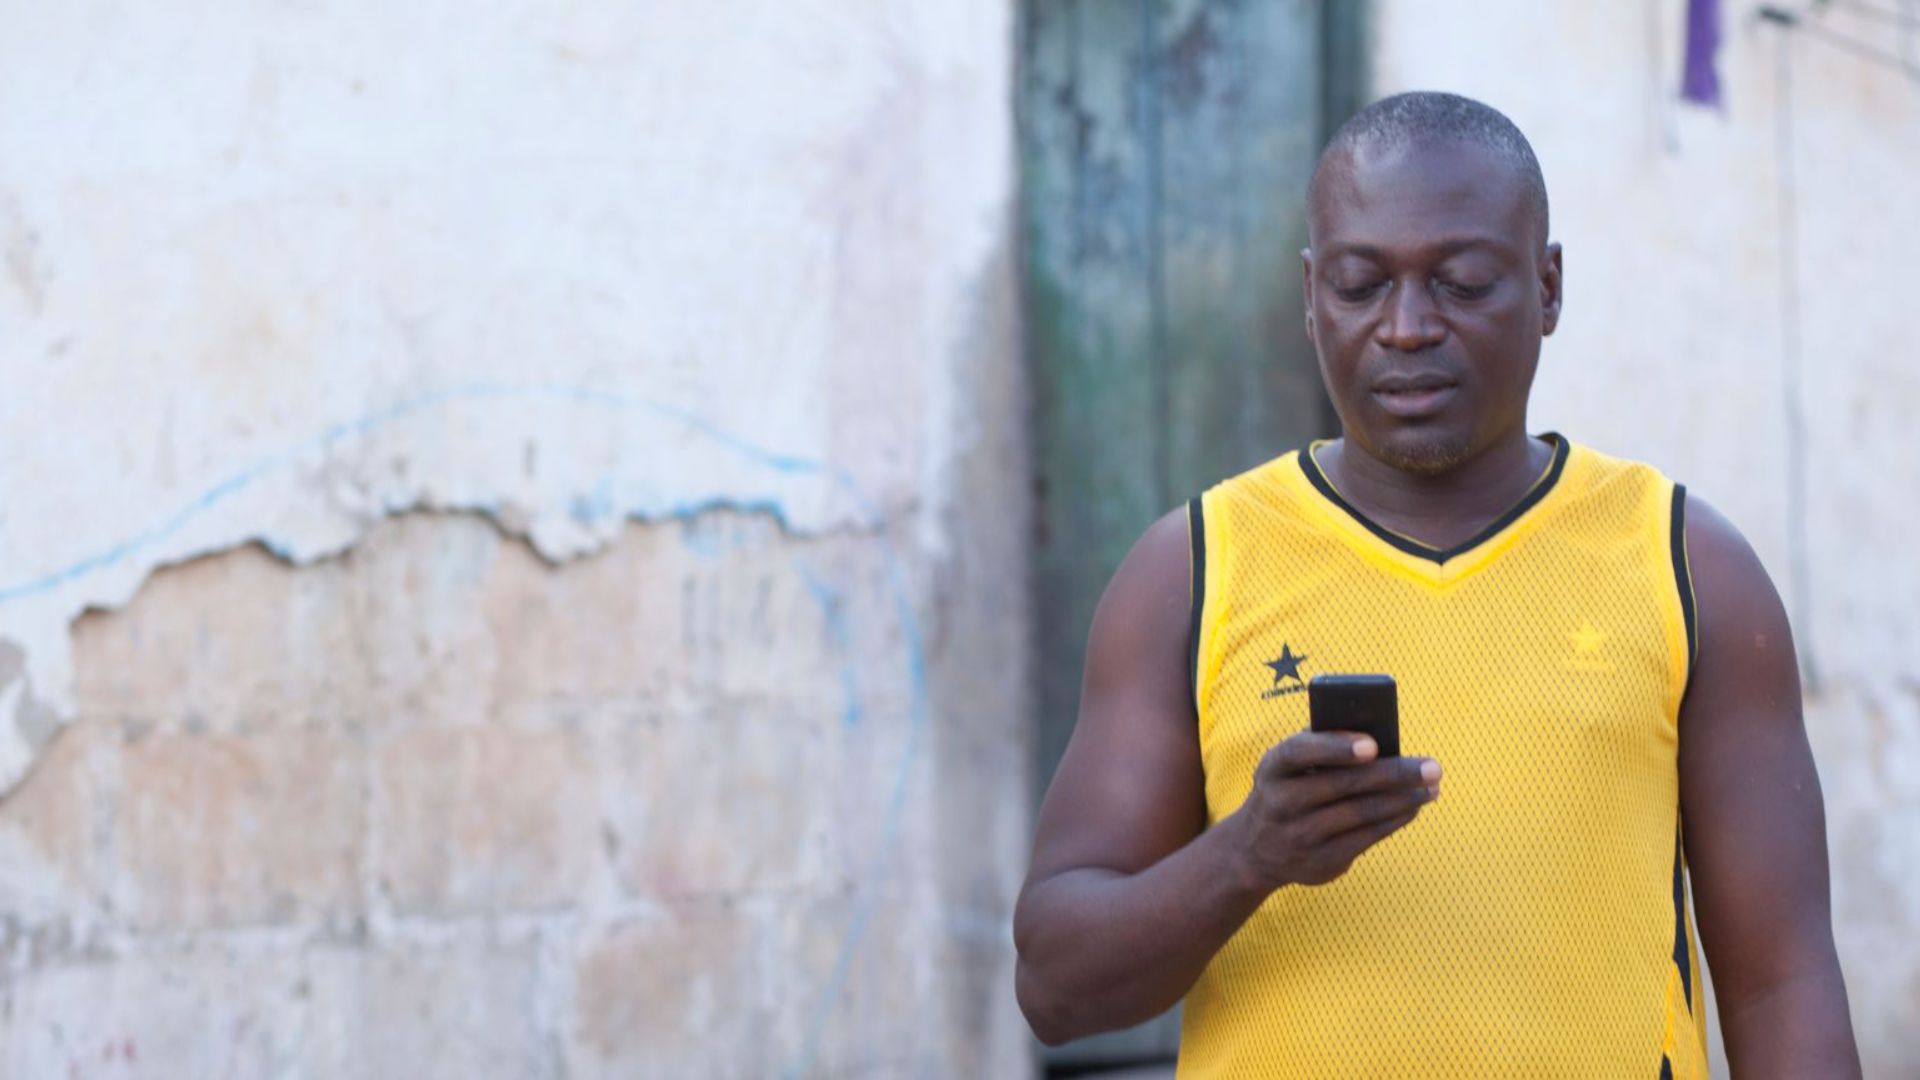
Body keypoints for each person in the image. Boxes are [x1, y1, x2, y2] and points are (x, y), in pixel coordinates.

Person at [1012, 92, 1860, 1078]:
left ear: (1547, 287)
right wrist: (1247, 855)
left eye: (1461, 283)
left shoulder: (1684, 565)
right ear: (1309, 293)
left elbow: (1781, 984)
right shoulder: (1195, 569)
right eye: (1361, 284)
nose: (1407, 328)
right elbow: (1056, 988)